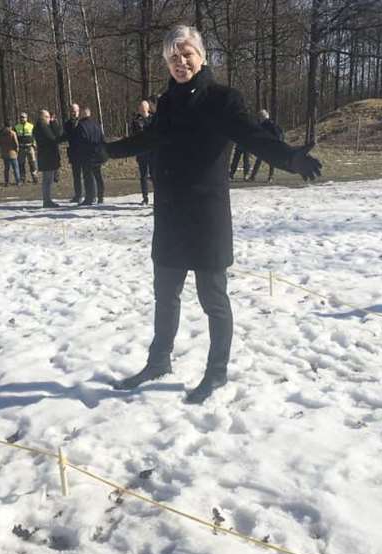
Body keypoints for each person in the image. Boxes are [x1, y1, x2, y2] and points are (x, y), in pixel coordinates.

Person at [103, 25, 322, 404]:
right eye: (173, 57)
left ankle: (216, 372)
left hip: (206, 217)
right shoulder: (167, 102)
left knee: (213, 300)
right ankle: (158, 361)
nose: (180, 62)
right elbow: (149, 139)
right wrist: (107, 151)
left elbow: (252, 136)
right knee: (165, 295)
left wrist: (289, 158)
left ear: (201, 56)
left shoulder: (222, 99)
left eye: (186, 54)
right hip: (171, 215)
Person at [32, 109, 61, 208]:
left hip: (46, 156)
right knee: (47, 180)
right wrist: (54, 124)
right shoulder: (42, 127)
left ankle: (47, 199)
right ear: (42, 117)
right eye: (48, 117)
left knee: (48, 180)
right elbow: (53, 138)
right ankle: (47, 200)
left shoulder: (41, 126)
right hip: (47, 156)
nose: (49, 119)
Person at [77, 107, 106, 205]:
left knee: (88, 177)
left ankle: (89, 197)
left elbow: (81, 141)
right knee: (98, 176)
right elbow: (102, 138)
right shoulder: (96, 124)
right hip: (97, 153)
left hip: (87, 155)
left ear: (82, 114)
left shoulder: (81, 125)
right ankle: (101, 196)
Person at [248, 109, 284, 182]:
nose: (259, 118)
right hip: (267, 145)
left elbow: (276, 134)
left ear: (263, 116)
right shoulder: (271, 123)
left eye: (260, 116)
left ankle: (255, 176)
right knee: (266, 161)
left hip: (269, 145)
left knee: (263, 161)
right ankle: (268, 177)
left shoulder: (267, 124)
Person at [129, 100, 153, 205]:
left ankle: (157, 196)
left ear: (147, 108)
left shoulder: (153, 119)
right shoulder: (136, 121)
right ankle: (145, 197)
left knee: (154, 175)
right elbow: (133, 136)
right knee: (143, 176)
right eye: (140, 108)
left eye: (144, 108)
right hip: (141, 152)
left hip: (152, 152)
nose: (142, 110)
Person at [61, 103, 84, 202]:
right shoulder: (67, 124)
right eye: (71, 111)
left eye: (75, 111)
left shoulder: (83, 122)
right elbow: (65, 136)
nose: (73, 113)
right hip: (74, 153)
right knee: (76, 175)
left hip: (84, 152)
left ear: (78, 111)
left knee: (88, 175)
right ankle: (78, 195)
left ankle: (90, 195)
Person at [14, 112, 38, 184]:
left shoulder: (31, 126)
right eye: (21, 117)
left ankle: (34, 176)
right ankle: (22, 178)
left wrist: (34, 144)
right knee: (21, 163)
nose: (22, 119)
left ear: (26, 118)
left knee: (32, 162)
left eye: (24, 117)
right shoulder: (16, 127)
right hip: (21, 147)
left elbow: (35, 136)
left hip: (30, 147)